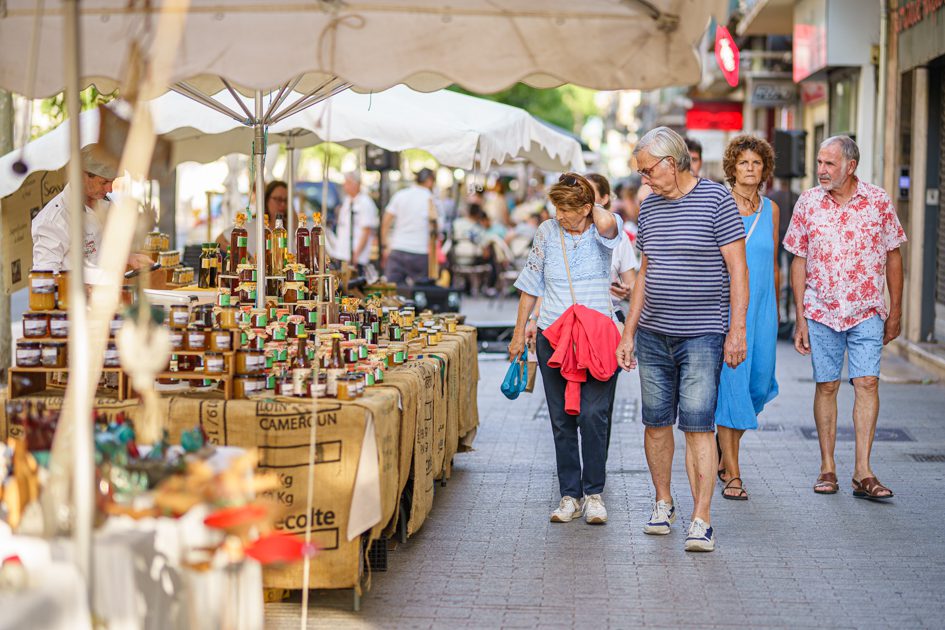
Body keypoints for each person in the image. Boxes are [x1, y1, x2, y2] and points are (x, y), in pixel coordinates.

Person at [616, 127, 748, 552]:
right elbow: (645, 272)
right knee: (655, 423)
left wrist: (737, 329)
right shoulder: (649, 207)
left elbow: (738, 270)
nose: (644, 180)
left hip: (703, 334)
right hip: (654, 333)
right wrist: (629, 331)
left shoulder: (716, 200)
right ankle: (662, 502)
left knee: (697, 426)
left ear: (671, 163)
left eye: (648, 171)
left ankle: (701, 517)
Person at [783, 135, 905, 500]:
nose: (821, 170)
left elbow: (894, 256)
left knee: (867, 383)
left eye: (829, 164)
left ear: (850, 167)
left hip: (867, 308)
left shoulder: (879, 202)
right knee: (827, 385)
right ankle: (827, 466)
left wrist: (895, 310)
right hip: (821, 310)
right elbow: (798, 259)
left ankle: (863, 471)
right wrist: (801, 317)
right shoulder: (808, 203)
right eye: (819, 163)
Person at [510, 173, 622, 525]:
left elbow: (607, 223)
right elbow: (530, 284)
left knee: (592, 415)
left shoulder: (603, 231)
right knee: (561, 420)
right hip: (553, 336)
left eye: (567, 208)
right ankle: (569, 495)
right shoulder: (546, 231)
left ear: (587, 208)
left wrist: (588, 196)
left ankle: (594, 493)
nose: (559, 214)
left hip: (598, 337)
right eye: (556, 206)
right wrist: (518, 332)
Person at [715, 135, 781, 501]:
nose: (750, 169)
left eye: (756, 163)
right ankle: (733, 473)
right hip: (729, 308)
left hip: (764, 308)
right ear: (732, 168)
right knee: (733, 386)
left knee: (757, 385)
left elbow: (771, 263)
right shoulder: (722, 205)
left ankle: (725, 454)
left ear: (764, 168)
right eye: (743, 163)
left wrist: (782, 309)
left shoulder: (771, 210)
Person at [32, 144, 152, 282]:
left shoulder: (105, 203)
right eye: (104, 182)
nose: (110, 189)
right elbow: (43, 279)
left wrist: (129, 257)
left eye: (112, 182)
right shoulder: (53, 220)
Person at [585, 173, 638, 323]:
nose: (584, 198)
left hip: (608, 318)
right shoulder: (568, 233)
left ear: (605, 198)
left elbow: (631, 284)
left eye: (590, 193)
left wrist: (627, 292)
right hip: (571, 320)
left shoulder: (620, 236)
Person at [382, 168, 436, 284]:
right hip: (420, 250)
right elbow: (436, 229)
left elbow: (386, 220)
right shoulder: (431, 199)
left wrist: (385, 244)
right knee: (419, 293)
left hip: (398, 248)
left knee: (393, 293)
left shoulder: (400, 195)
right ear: (430, 181)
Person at [334, 171, 379, 269]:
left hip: (355, 255)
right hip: (343, 252)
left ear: (356, 184)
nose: (345, 186)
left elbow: (366, 230)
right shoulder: (347, 200)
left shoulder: (365, 203)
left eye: (348, 183)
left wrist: (356, 254)